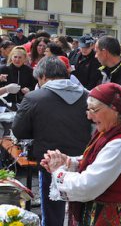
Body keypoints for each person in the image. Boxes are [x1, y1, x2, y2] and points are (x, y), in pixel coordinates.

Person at [41, 82, 121, 225]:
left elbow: (88, 186)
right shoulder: (111, 132)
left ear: (115, 109)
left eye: (94, 110)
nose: (89, 116)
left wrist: (58, 171)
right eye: (88, 110)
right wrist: (70, 162)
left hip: (118, 218)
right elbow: (96, 160)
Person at [12, 56, 91, 226]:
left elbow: (18, 130)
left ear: (43, 77)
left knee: (52, 210)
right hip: (83, 159)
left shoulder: (34, 97)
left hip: (49, 160)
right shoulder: (87, 95)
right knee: (81, 207)